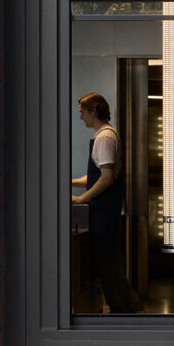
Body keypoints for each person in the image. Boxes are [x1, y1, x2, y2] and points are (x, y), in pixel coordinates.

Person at [72, 92, 142, 314]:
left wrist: (82, 198)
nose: (80, 116)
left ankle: (123, 309)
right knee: (109, 262)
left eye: (83, 111)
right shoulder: (107, 135)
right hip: (105, 210)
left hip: (104, 212)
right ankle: (129, 306)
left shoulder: (104, 137)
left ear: (94, 110)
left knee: (107, 263)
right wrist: (70, 182)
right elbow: (96, 177)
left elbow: (106, 178)